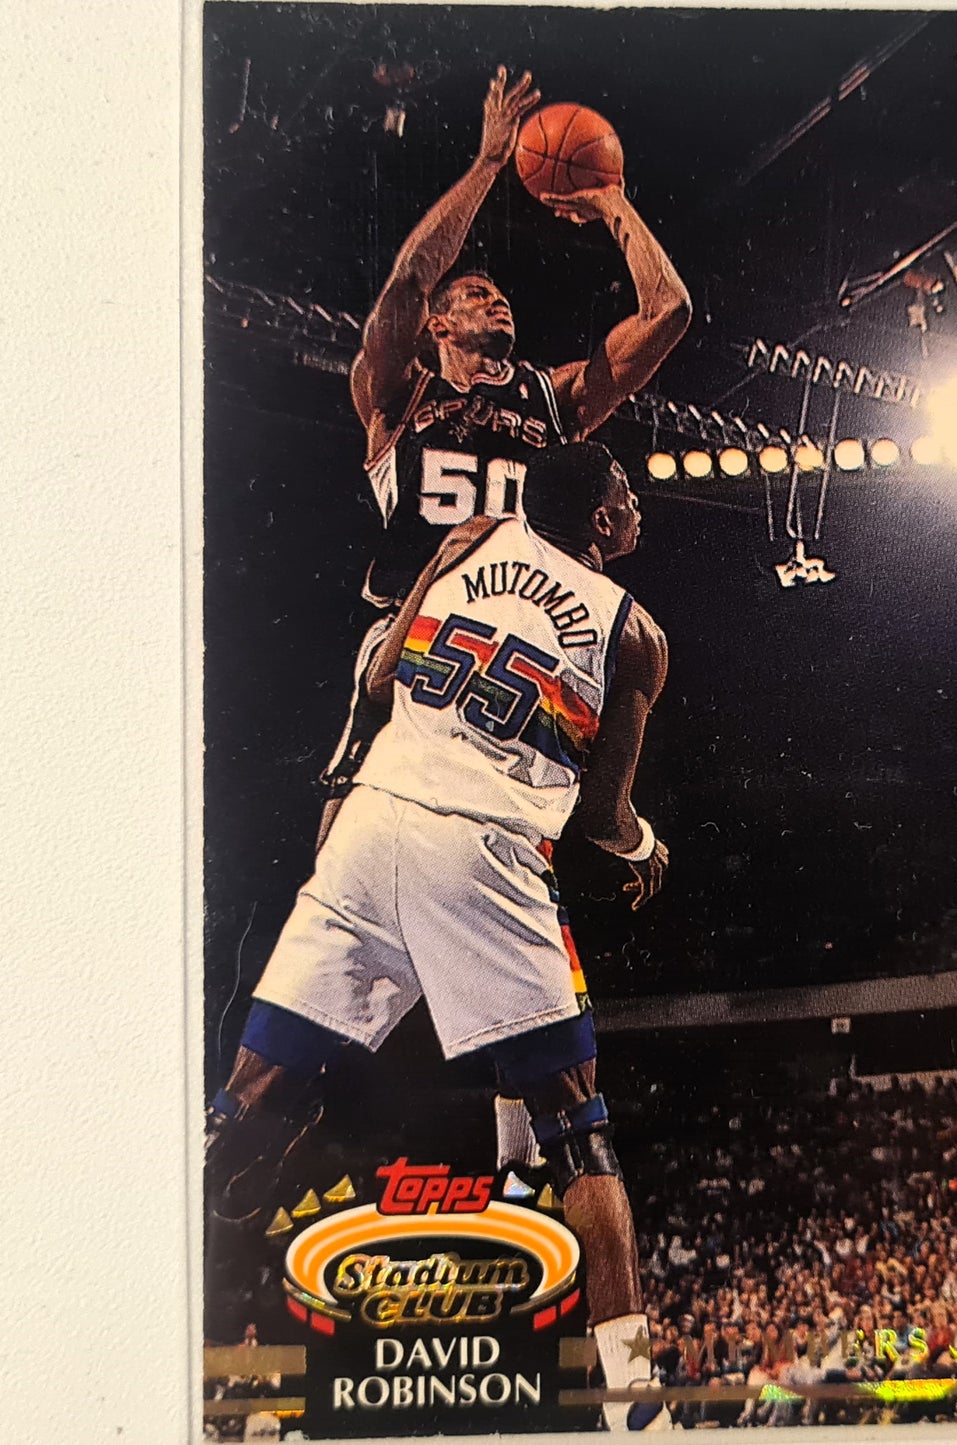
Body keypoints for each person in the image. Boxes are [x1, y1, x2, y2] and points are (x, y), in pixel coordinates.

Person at [209, 442, 673, 1431]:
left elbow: (383, 674)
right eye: (627, 493)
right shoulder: (634, 632)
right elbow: (601, 816)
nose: (639, 505)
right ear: (600, 518)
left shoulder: (471, 538)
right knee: (579, 1124)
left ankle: (149, 1251)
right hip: (481, 847)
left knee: (247, 1087)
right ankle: (637, 1404)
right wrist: (644, 846)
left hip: (372, 819)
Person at [322, 62, 689, 1186]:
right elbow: (402, 280)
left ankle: (525, 1140)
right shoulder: (399, 396)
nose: (497, 303)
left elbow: (668, 314)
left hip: (523, 657)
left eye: (500, 296)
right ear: (438, 324)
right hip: (413, 646)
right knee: (351, 893)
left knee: (519, 882)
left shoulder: (550, 399)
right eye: (475, 294)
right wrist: (491, 161)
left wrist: (609, 201)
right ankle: (295, 1104)